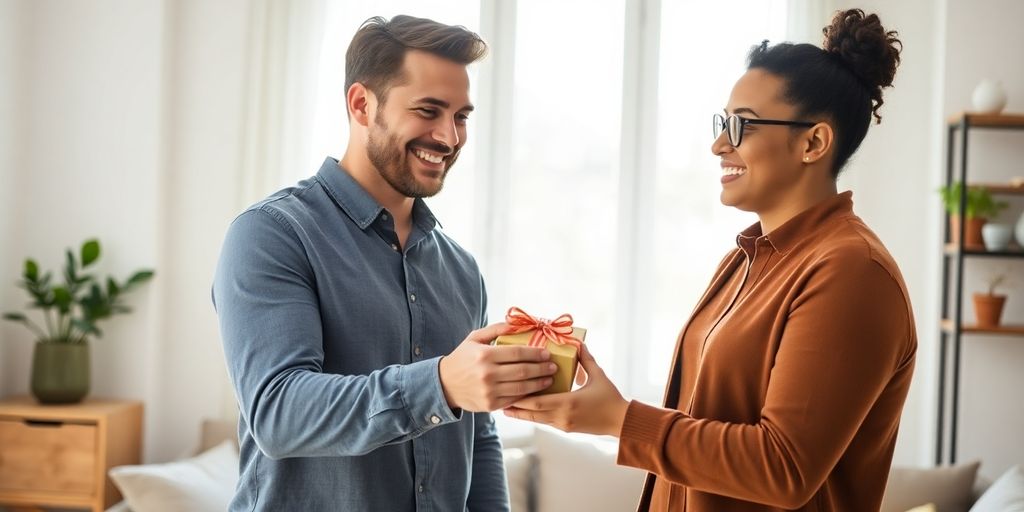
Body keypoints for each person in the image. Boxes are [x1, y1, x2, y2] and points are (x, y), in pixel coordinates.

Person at [505, 9, 916, 512]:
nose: (719, 144)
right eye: (723, 123)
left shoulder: (852, 271)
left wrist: (618, 420)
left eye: (740, 125)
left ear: (813, 142)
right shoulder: (743, 260)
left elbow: (782, 467)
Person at [213, 15, 558, 512]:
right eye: (428, 110)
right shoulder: (271, 235)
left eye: (461, 116)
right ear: (361, 104)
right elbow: (278, 412)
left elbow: (478, 439)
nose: (449, 136)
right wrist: (438, 384)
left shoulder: (461, 270)